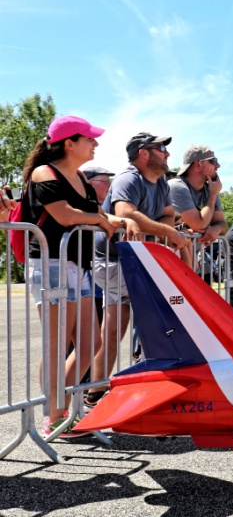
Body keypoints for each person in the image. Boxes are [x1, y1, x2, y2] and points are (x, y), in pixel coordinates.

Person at [24, 115, 121, 437]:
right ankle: (55, 416)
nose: (95, 143)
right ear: (69, 143)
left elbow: (94, 214)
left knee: (90, 342)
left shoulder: (79, 175)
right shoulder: (44, 173)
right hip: (51, 264)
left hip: (78, 266)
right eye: (89, 138)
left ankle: (63, 408)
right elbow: (64, 215)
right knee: (57, 345)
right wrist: (100, 218)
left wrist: (114, 220)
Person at [90, 132, 189, 405]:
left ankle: (95, 392)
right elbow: (125, 212)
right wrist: (167, 231)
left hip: (130, 260)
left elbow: (168, 214)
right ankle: (154, 390)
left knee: (114, 329)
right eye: (161, 149)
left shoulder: (160, 183)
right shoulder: (129, 177)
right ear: (144, 153)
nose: (168, 153)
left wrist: (163, 228)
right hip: (113, 260)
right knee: (161, 314)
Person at [168, 145, 228, 280]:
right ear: (198, 164)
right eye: (213, 161)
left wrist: (216, 229)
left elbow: (223, 225)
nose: (218, 165)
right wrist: (212, 195)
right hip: (170, 264)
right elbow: (199, 225)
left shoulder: (211, 189)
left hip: (189, 263)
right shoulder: (177, 186)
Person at [79, 165, 115, 317]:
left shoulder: (109, 208)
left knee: (95, 338)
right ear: (89, 183)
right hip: (84, 286)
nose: (109, 185)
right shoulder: (82, 207)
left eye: (110, 181)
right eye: (104, 181)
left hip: (103, 289)